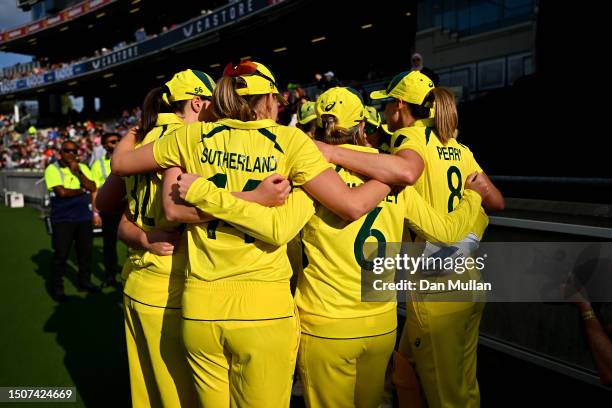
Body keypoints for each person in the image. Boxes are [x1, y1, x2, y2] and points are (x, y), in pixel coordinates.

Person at [111, 60, 394, 407]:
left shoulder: (190, 136)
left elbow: (127, 172)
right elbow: (344, 207)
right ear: (271, 99)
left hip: (201, 305)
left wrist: (141, 129)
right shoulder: (291, 143)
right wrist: (393, 177)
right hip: (268, 307)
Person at [314, 70, 504, 407]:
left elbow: (407, 174)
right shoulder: (455, 145)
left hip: (437, 283)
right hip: (468, 277)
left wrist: (333, 154)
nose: (385, 115)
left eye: (387, 105)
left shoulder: (408, 141)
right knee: (414, 373)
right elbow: (497, 202)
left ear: (399, 105)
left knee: (449, 397)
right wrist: (474, 195)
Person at [44, 140, 99, 301]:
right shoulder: (52, 169)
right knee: (61, 254)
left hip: (83, 217)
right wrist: (82, 190)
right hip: (63, 218)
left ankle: (85, 282)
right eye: (68, 151)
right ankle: (57, 288)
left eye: (75, 151)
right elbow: (62, 192)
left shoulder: (82, 168)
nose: (72, 154)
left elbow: (93, 187)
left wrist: (79, 174)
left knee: (85, 252)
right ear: (60, 152)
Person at [90, 132, 122, 287]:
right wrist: (95, 212)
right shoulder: (97, 165)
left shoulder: (129, 158)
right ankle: (110, 276)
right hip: (108, 210)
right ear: (104, 146)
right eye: (112, 142)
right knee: (109, 245)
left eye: (118, 140)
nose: (116, 144)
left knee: (134, 244)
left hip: (127, 209)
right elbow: (94, 191)